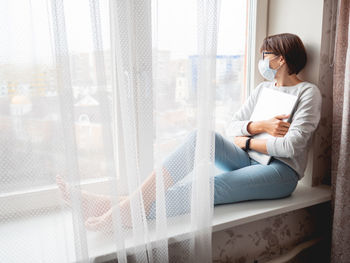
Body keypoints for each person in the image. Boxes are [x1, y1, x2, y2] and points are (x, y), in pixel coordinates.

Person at [57, 33, 322, 231]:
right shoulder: (263, 90)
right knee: (201, 137)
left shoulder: (307, 92)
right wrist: (259, 127)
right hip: (249, 158)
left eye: (265, 54)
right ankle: (130, 205)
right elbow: (233, 127)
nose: (261, 61)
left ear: (281, 59)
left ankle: (120, 207)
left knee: (210, 187)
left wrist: (246, 141)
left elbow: (291, 147)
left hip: (280, 172)